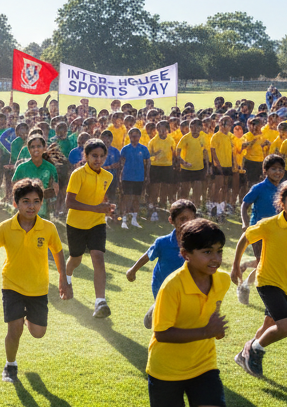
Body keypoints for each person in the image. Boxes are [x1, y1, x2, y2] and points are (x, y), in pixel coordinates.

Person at [143, 218, 229, 407]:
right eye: (207, 252)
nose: (215, 258)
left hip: (203, 363)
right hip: (166, 368)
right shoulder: (172, 286)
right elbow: (162, 334)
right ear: (186, 255)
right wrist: (207, 331)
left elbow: (208, 315)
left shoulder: (222, 280)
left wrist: (213, 329)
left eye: (218, 251)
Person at [0, 178, 71, 383]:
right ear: (15, 203)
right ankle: (10, 365)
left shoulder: (49, 228)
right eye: (25, 201)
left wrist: (63, 280)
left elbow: (58, 253)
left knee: (38, 332)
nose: (31, 206)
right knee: (14, 330)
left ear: (41, 203)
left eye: (35, 201)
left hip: (38, 287)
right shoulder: (5, 227)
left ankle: (26, 319)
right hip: (12, 285)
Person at [231, 179, 287, 378]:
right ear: (282, 202)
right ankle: (256, 350)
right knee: (285, 327)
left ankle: (243, 355)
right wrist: (234, 266)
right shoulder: (270, 224)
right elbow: (245, 238)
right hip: (267, 281)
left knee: (269, 325)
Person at [125, 199, 198, 329]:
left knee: (181, 316)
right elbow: (148, 255)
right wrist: (133, 270)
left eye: (190, 219)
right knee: (166, 317)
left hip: (185, 287)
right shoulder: (163, 242)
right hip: (162, 286)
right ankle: (155, 313)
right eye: (182, 219)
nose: (187, 223)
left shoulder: (197, 244)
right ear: (171, 221)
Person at [64, 138, 115, 319]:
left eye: (102, 156)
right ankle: (66, 277)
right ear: (85, 156)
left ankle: (100, 302)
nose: (98, 159)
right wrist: (96, 208)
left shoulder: (108, 177)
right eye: (94, 155)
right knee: (75, 259)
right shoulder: (77, 174)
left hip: (97, 223)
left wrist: (107, 209)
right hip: (76, 224)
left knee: (98, 258)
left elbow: (101, 198)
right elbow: (69, 202)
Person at [236, 154, 287, 305]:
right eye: (273, 169)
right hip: (258, 231)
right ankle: (246, 286)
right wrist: (245, 223)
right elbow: (245, 204)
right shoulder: (258, 188)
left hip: (277, 231)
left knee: (267, 263)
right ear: (265, 171)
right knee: (263, 264)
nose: (277, 172)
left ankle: (246, 277)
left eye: (280, 169)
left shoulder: (284, 188)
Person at [119, 126, 150, 229]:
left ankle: (134, 219)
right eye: (132, 136)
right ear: (130, 137)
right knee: (126, 198)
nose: (135, 138)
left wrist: (147, 175)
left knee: (137, 198)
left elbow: (147, 162)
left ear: (139, 137)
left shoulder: (143, 149)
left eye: (136, 136)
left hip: (139, 177)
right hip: (127, 176)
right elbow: (121, 162)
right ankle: (124, 219)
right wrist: (120, 175)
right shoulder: (125, 149)